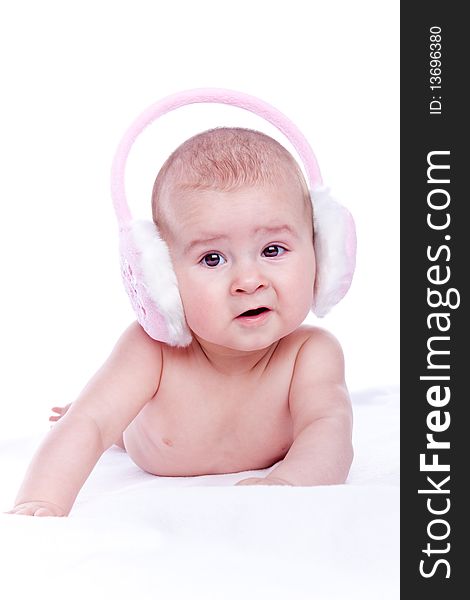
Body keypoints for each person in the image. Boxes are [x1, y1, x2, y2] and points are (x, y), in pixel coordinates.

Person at [8, 127, 353, 517]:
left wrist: (290, 483)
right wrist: (41, 500)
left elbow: (329, 430)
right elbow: (90, 423)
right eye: (212, 259)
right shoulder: (152, 352)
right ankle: (119, 413)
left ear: (322, 253)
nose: (249, 281)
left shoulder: (310, 354)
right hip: (141, 431)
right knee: (104, 416)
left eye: (273, 250)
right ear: (162, 280)